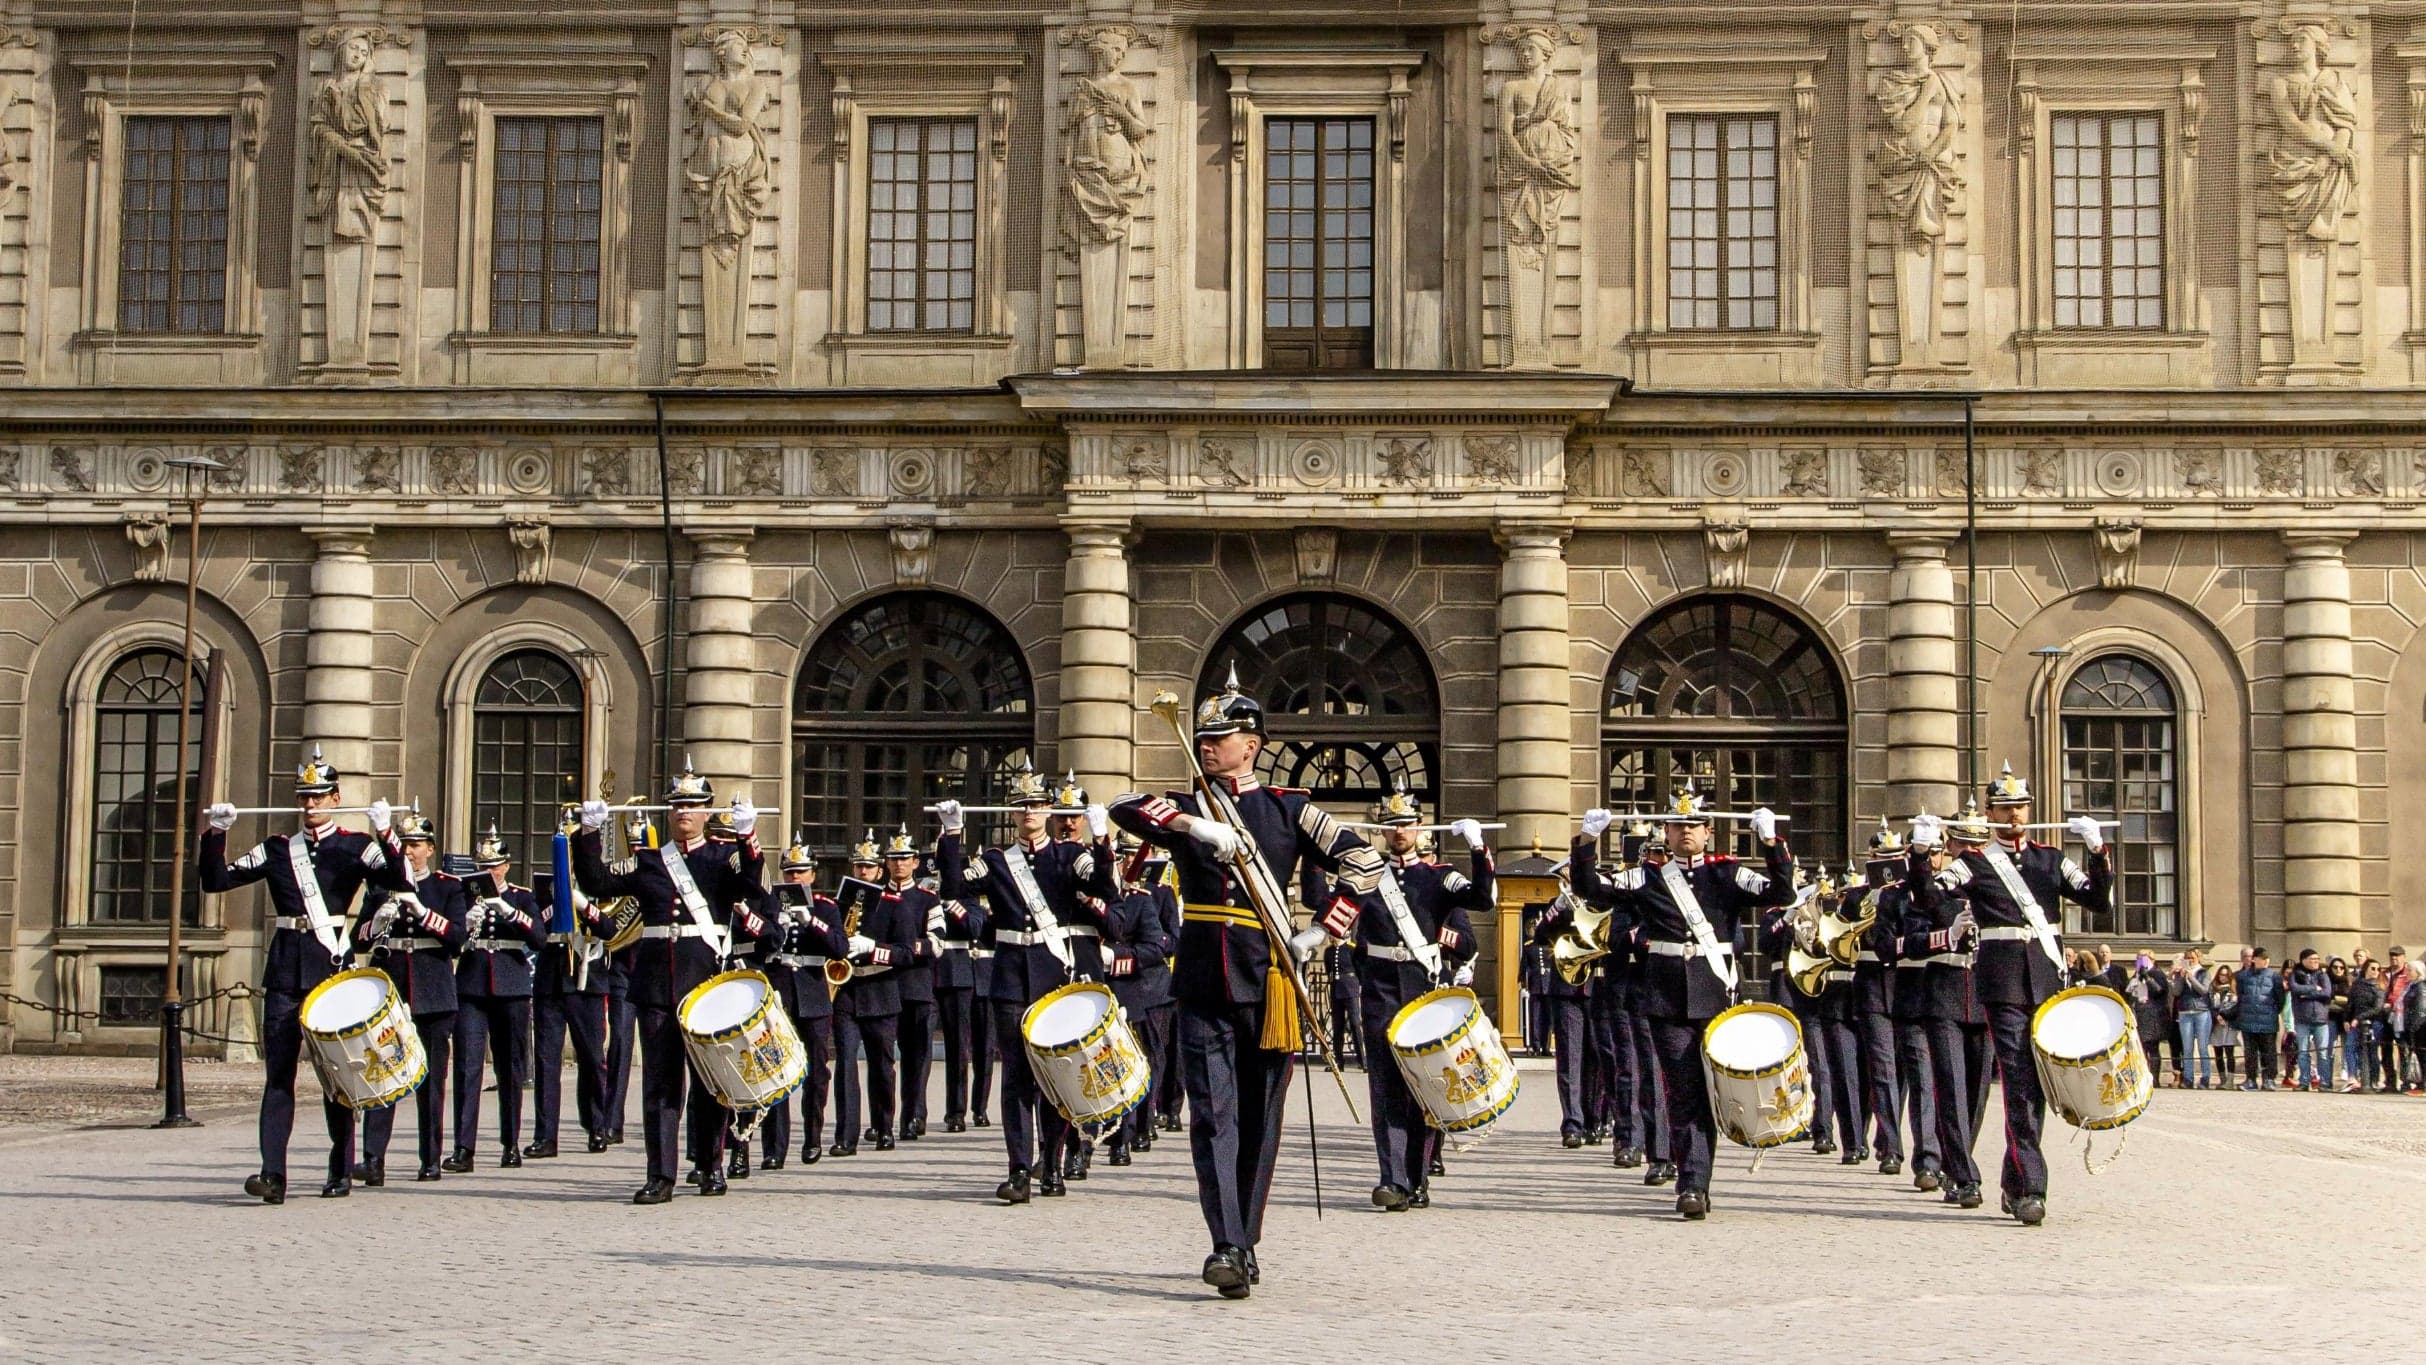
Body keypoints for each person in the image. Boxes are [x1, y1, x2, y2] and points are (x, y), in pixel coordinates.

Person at [1109, 672, 1383, 1298]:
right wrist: (1194, 828)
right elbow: (1122, 807)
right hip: (1204, 978)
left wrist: (1325, 931)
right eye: (1202, 736)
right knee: (1213, 1117)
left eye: (1220, 737)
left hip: (1270, 980)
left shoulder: (1289, 807)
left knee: (1260, 1121)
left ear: (1251, 743)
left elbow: (1362, 860)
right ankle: (1225, 1244)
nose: (1207, 745)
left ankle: (1246, 1238)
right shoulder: (1189, 804)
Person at [1569, 783, 1793, 1220]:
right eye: (1676, 826)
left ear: (1709, 831)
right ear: (1666, 834)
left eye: (1693, 825)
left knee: (1717, 1092)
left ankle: (1699, 1172)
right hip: (1666, 998)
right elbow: (1593, 889)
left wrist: (1771, 843)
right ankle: (1692, 1183)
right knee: (1684, 1091)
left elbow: (1780, 893)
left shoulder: (1727, 874)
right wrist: (1587, 842)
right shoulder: (1649, 877)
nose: (1685, 832)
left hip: (1715, 996)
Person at [201, 746, 406, 1203]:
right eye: (304, 797)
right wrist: (216, 832)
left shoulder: (355, 846)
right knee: (278, 1077)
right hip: (285, 972)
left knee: (337, 1077)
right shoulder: (278, 850)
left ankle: (340, 1168)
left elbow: (399, 880)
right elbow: (216, 880)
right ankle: (272, 1173)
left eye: (318, 796)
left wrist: (386, 830)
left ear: (336, 798)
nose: (310, 805)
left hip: (329, 970)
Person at [571, 761, 767, 1203]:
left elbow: (753, 890)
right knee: (661, 1084)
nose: (683, 812)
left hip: (704, 985)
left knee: (709, 1083)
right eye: (678, 804)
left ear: (705, 812)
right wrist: (588, 834)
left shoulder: (721, 859)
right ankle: (660, 1175)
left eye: (693, 806)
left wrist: (748, 838)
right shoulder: (650, 861)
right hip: (658, 984)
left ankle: (710, 1164)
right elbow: (596, 881)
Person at [1937, 765, 2110, 1226]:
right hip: (2004, 986)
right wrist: (1920, 854)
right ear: (1990, 813)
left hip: (2046, 981)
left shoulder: (2050, 860)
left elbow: (2098, 900)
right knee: (2018, 1084)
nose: (2015, 817)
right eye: (2006, 809)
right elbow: (1930, 892)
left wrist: (2096, 851)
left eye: (2021, 808)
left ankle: (2014, 1183)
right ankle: (2032, 1187)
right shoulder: (1975, 862)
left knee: (2039, 1087)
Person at [941, 771, 1113, 1204]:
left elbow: (1103, 887)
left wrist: (1102, 838)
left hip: (1053, 977)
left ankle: (1051, 1164)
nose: (1029, 813)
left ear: (1048, 810)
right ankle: (1018, 1169)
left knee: (1054, 1076)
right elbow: (955, 885)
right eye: (1021, 806)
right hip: (1012, 978)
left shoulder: (1069, 856)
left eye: (1036, 805)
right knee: (1017, 1079)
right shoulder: (999, 860)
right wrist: (951, 835)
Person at [1350, 788, 1490, 1210]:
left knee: (1424, 1090)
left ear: (1419, 827)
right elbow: (1322, 905)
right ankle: (1391, 1179)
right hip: (1380, 991)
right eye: (1391, 826)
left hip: (1423, 991)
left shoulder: (1438, 877)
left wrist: (1478, 848)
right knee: (1385, 1089)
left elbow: (1481, 900)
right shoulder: (1367, 877)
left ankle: (1418, 1173)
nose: (1399, 832)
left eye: (1406, 824)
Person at [357, 812, 471, 1186]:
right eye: (405, 845)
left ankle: (431, 1158)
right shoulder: (381, 887)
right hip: (390, 987)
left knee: (431, 1079)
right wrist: (377, 922)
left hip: (433, 986)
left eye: (417, 845)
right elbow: (359, 939)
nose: (410, 852)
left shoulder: (447, 887)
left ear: (431, 849)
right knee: (382, 1074)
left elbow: (456, 939)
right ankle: (373, 1159)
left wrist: (423, 912)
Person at [1899, 811, 1987, 1211]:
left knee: (1976, 1096)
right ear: (1949, 848)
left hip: (1986, 996)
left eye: (1978, 844)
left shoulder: (1999, 885)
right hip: (1945, 996)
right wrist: (1919, 852)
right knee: (1949, 1089)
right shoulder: (1938, 889)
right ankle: (1965, 1177)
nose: (1970, 852)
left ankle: (1957, 1163)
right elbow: (1911, 937)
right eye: (1962, 845)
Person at [447, 828, 548, 1170]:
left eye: (494, 865)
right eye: (482, 865)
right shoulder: (463, 895)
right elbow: (453, 941)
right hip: (472, 984)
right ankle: (464, 1148)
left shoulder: (520, 897)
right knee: (467, 1067)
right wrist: (463, 922)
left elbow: (538, 938)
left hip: (511, 985)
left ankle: (511, 1143)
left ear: (506, 866)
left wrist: (508, 911)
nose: (488, 872)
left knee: (511, 1068)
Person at [528, 818, 618, 1159]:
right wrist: (560, 901)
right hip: (552, 979)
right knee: (546, 1060)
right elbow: (537, 928)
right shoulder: (548, 889)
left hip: (587, 980)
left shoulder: (597, 887)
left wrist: (583, 905)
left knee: (593, 1059)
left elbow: (610, 928)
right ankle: (546, 1135)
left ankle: (597, 1127)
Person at [759, 834, 850, 1169]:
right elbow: (759, 947)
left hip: (813, 995)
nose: (795, 878)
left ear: (813, 874)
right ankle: (774, 1148)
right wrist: (776, 930)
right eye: (789, 872)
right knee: (776, 1072)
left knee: (816, 1073)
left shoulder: (825, 908)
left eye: (801, 872)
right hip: (781, 995)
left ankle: (812, 1138)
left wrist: (810, 922)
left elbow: (840, 948)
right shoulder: (770, 906)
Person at [829, 831, 919, 1159]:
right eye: (858, 866)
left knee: (882, 1066)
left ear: (879, 871)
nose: (863, 872)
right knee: (845, 1064)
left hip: (881, 990)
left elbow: (907, 953)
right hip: (848, 990)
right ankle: (845, 1136)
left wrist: (875, 949)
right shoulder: (839, 904)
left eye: (868, 866)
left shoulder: (894, 906)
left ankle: (883, 1127)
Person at [1761, 866, 1861, 1162]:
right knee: (1786, 1064)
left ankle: (1823, 1130)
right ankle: (1788, 1120)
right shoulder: (1777, 912)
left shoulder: (1825, 909)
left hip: (1816, 991)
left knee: (1820, 1064)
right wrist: (1789, 917)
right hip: (1785, 990)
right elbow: (1766, 944)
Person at [1100, 837, 1177, 1168]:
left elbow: (1164, 943)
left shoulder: (1149, 897)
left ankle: (1139, 1126)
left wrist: (1116, 958)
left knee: (1146, 1060)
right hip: (1103, 990)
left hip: (1146, 988)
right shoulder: (1093, 898)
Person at [1845, 821, 1908, 1177]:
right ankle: (1892, 1148)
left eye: (1895, 858)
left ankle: (1889, 1138)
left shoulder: (1909, 894)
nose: (1889, 864)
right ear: (1871, 858)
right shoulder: (1856, 897)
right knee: (1882, 1069)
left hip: (1905, 985)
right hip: (1871, 987)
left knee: (1904, 1071)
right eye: (1882, 858)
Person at [882, 831, 945, 1145]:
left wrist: (906, 949)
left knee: (917, 1056)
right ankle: (884, 1120)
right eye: (893, 859)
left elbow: (937, 942)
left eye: (904, 858)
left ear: (915, 862)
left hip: (917, 986)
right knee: (883, 1058)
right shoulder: (878, 896)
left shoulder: (927, 898)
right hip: (883, 985)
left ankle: (914, 1115)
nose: (898, 864)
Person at [1528, 884, 1596, 1148]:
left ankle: (1593, 1120)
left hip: (1597, 986)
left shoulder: (1601, 898)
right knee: (1569, 1059)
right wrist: (1558, 907)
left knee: (1597, 1060)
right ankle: (1572, 1124)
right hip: (1566, 989)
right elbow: (1541, 936)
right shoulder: (1560, 906)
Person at [2235, 948, 2284, 1090]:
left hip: (2267, 1020)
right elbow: (2241, 996)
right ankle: (2250, 1079)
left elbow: (2280, 1000)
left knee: (2268, 1052)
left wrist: (2272, 1011)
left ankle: (2269, 1079)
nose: (2265, 961)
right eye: (2262, 958)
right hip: (2248, 1020)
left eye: (2266, 958)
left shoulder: (2274, 977)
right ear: (2254, 959)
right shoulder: (2243, 977)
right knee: (2250, 1052)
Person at [2287, 949, 2334, 1092]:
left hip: (2321, 1018)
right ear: (2303, 960)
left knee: (2323, 1052)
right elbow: (2295, 989)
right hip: (2302, 1018)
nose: (2316, 961)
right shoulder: (2295, 975)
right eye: (2312, 959)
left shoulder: (2323, 975)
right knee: (2303, 1051)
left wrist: (2307, 995)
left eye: (2317, 959)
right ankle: (2304, 1081)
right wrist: (2314, 988)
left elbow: (2327, 993)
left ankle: (2325, 1082)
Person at [2125, 953, 2171, 1088]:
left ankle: (2155, 1078)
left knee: (2153, 1047)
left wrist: (2148, 977)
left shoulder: (2157, 973)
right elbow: (2129, 992)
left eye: (2144, 959)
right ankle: (2142, 1076)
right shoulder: (2136, 974)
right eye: (2139, 959)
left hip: (2153, 1014)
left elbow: (2160, 991)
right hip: (2139, 1012)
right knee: (2141, 1047)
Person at [2345, 963, 2387, 1094]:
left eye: (2378, 969)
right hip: (2355, 1022)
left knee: (2372, 1051)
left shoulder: (2379, 987)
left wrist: (2359, 1018)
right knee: (2350, 1047)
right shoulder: (2357, 985)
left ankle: (2373, 1080)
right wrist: (2346, 1019)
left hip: (2374, 1022)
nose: (2375, 971)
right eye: (2372, 968)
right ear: (2366, 970)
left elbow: (2377, 1008)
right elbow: (2350, 1004)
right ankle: (2352, 1078)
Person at [2173, 955, 2213, 1090]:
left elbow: (2203, 990)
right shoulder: (2181, 973)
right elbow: (2176, 992)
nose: (2190, 960)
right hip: (2185, 1012)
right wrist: (2179, 977)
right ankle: (2188, 1078)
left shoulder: (2203, 972)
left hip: (2201, 1010)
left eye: (2192, 957)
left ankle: (2205, 1078)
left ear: (2198, 958)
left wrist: (2191, 978)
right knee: (2187, 1048)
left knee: (2202, 1047)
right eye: (2187, 958)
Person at [2209, 966, 2240, 1084]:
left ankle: (2230, 1080)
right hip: (2216, 1023)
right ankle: (2222, 1079)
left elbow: (2236, 1006)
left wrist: (2225, 1016)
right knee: (2218, 1052)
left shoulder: (2234, 989)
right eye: (2221, 974)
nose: (2223, 977)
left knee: (2229, 1051)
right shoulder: (2213, 989)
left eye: (2226, 975)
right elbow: (2210, 1005)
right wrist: (2217, 1016)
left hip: (2229, 1023)